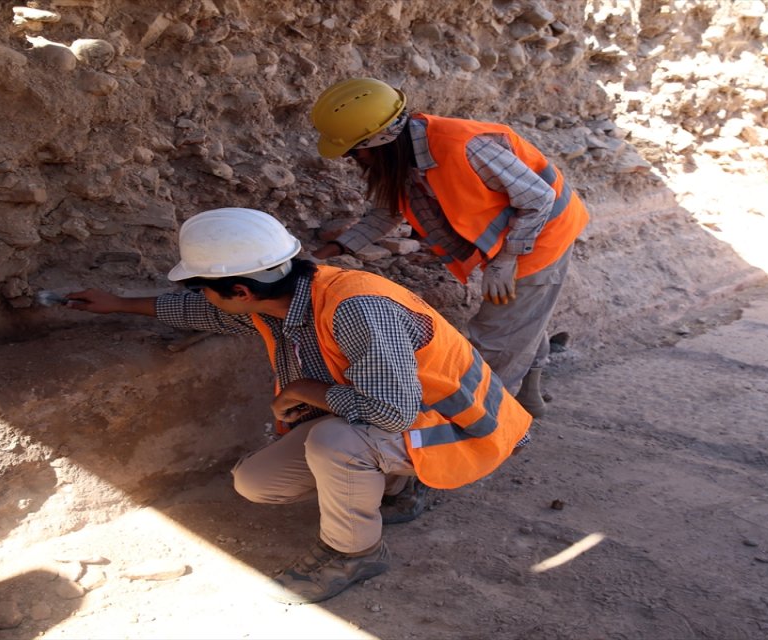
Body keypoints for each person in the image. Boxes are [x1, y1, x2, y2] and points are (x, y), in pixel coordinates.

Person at [66, 207, 532, 605]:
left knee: (335, 442)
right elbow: (203, 311)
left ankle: (355, 555)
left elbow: (392, 414)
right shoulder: (281, 300)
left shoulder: (354, 308)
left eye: (201, 285)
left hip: (462, 427)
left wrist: (303, 391)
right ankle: (400, 483)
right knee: (257, 482)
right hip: (405, 419)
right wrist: (117, 303)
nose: (199, 296)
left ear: (241, 291)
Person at [309, 77, 590, 421]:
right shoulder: (404, 160)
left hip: (543, 237)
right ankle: (529, 398)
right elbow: (385, 214)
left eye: (354, 150)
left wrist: (507, 258)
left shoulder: (463, 146)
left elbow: (538, 198)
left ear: (380, 139)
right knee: (521, 320)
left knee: (494, 339)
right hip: (511, 243)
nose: (351, 158)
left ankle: (489, 426)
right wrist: (325, 254)